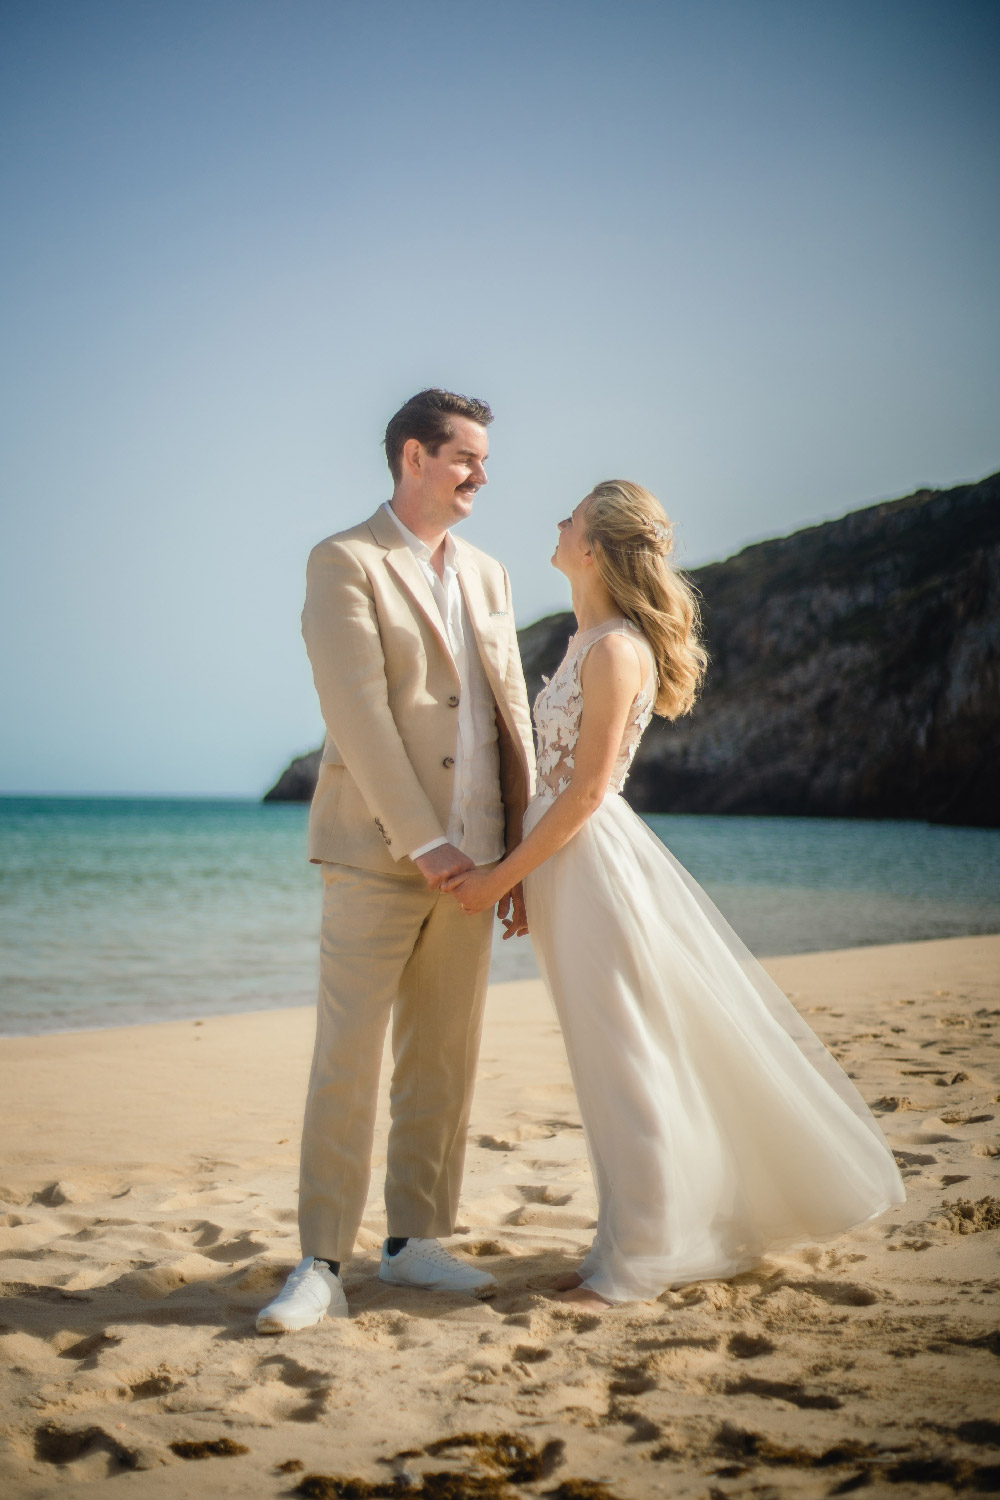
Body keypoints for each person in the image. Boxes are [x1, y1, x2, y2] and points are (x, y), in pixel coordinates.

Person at [444, 479, 906, 1309]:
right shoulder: (588, 639)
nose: (556, 523)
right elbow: (549, 787)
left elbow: (585, 795)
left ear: (592, 548)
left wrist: (494, 880)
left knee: (626, 1057)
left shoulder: (616, 648)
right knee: (605, 1059)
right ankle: (621, 1246)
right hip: (561, 871)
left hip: (591, 870)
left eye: (571, 517)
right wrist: (519, 879)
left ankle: (640, 1262)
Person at [257, 389, 535, 1334]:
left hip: (483, 858)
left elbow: (509, 716)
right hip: (380, 856)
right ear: (413, 456)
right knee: (347, 1057)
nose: (482, 475)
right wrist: (427, 842)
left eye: (484, 460)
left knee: (443, 1059)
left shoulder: (491, 575)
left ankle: (417, 1243)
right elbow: (358, 714)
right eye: (466, 457)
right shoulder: (344, 561)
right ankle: (320, 1260)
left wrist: (516, 856)